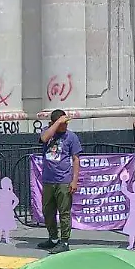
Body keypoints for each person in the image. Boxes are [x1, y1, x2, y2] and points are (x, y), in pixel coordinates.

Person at [37, 109, 81, 254]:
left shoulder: (71, 137)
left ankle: (65, 241)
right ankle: (53, 238)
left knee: (64, 212)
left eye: (66, 123)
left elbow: (76, 159)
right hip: (48, 180)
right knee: (48, 211)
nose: (65, 126)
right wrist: (56, 124)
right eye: (63, 123)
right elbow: (44, 139)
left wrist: (74, 181)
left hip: (63, 180)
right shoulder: (48, 132)